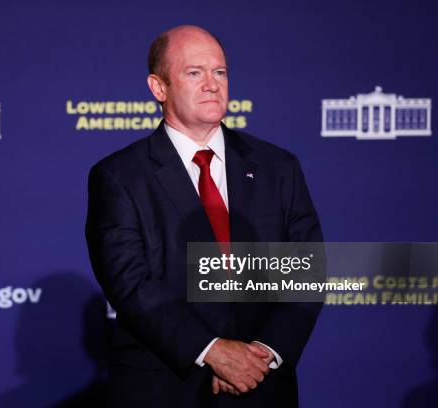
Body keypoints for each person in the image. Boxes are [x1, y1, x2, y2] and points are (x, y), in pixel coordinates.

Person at [85, 25, 322, 407]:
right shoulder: (119, 176)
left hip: (262, 386)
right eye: (194, 72)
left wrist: (262, 353)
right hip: (168, 388)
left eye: (220, 72)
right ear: (158, 88)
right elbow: (129, 282)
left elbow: (306, 270)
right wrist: (212, 351)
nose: (212, 84)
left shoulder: (278, 167)